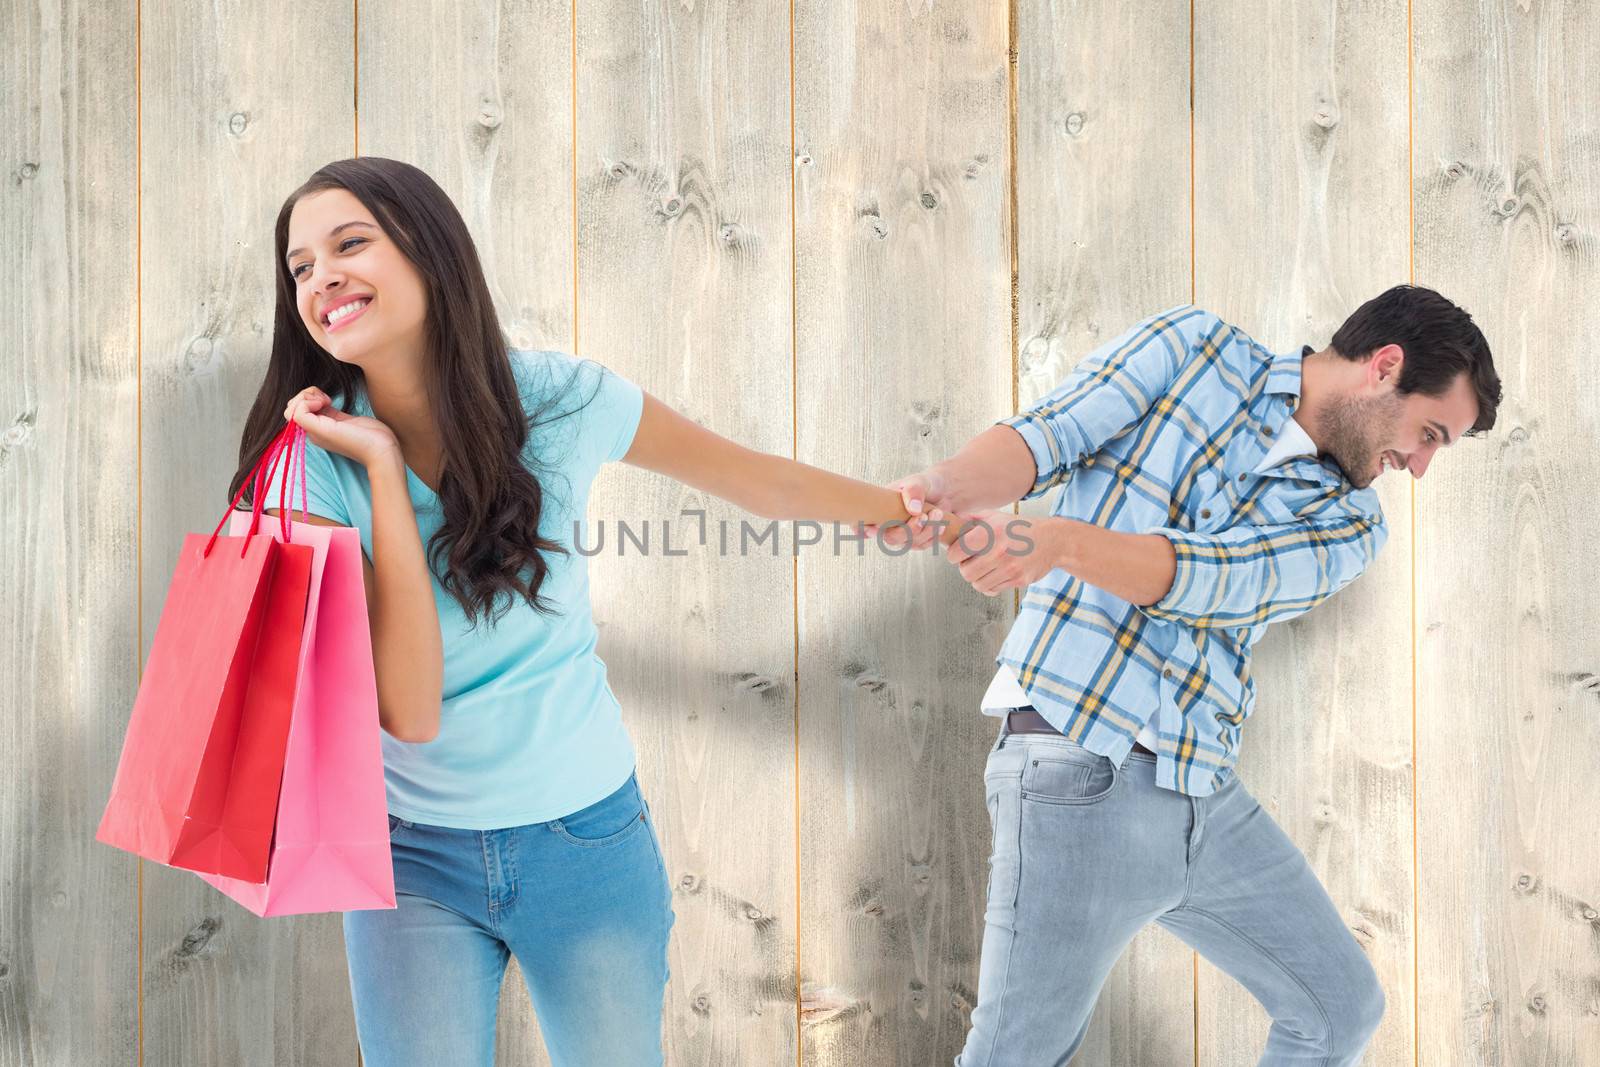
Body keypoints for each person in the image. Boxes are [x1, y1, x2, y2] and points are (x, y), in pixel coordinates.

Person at [230, 156, 928, 1067]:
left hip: (585, 840)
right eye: (300, 267)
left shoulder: (563, 401)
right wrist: (382, 476)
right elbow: (408, 707)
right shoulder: (311, 462)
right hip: (410, 860)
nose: (320, 277)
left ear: (431, 253)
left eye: (348, 244)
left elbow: (751, 477)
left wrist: (909, 512)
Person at [870, 289, 1501, 1065]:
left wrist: (1057, 541)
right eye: (1431, 432)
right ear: (1385, 368)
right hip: (1074, 769)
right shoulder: (1194, 347)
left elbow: (1215, 580)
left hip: (1202, 797)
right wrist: (949, 484)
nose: (1423, 465)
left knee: (1339, 1010)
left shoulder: (1352, 522)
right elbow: (1049, 436)